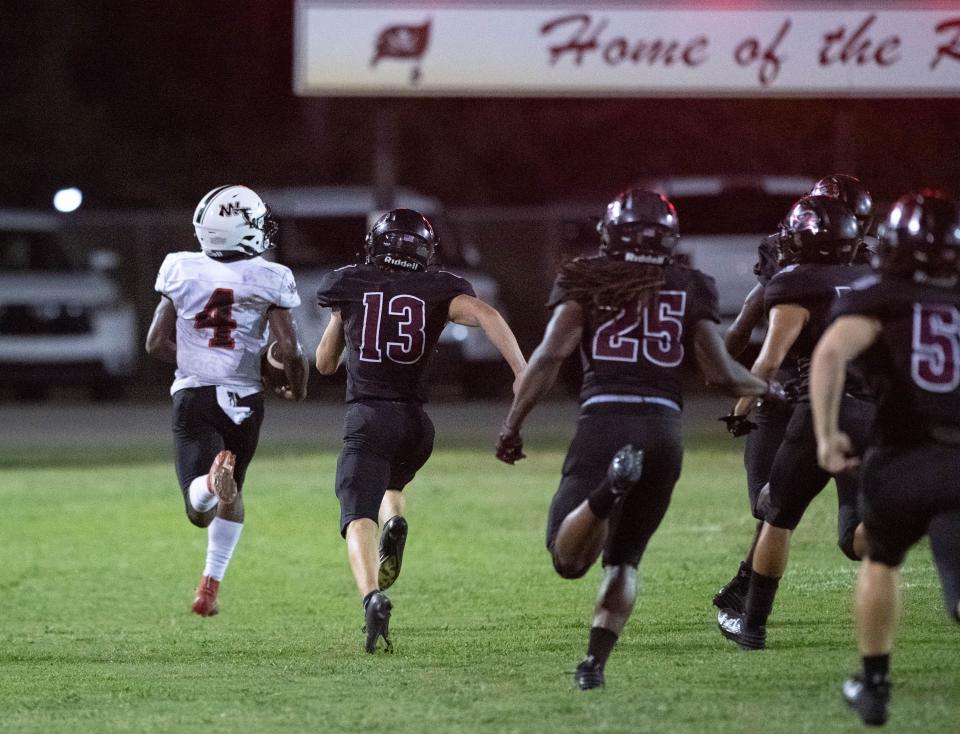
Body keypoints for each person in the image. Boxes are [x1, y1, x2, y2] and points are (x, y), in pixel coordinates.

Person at [496, 189, 775, 690]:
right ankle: (594, 666)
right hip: (665, 430)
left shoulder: (586, 277)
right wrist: (768, 387)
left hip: (605, 421)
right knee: (623, 561)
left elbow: (549, 356)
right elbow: (721, 373)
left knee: (567, 560)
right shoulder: (689, 284)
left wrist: (512, 424)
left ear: (612, 233)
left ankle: (607, 491)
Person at [314, 208, 526, 654]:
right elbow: (487, 314)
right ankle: (397, 519)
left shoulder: (349, 282)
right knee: (389, 479)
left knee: (356, 515)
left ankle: (372, 594)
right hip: (416, 426)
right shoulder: (439, 288)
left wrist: (340, 317)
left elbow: (325, 365)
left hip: (368, 417)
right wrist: (521, 370)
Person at [810, 190, 960, 727]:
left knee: (881, 559)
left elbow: (830, 353)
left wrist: (827, 437)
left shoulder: (879, 295)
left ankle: (873, 684)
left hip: (903, 457)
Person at [716, 195, 874, 651]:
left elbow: (767, 364)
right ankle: (918, 524)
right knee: (855, 534)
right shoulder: (871, 278)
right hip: (872, 412)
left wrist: (740, 409)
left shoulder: (794, 283)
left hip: (819, 411)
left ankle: (752, 625)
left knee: (777, 515)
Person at [146, 184, 308, 617]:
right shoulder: (270, 275)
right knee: (232, 495)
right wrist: (297, 386)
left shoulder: (180, 267)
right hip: (246, 400)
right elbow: (289, 350)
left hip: (195, 394)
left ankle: (206, 486)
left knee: (199, 508)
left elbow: (155, 342)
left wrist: (200, 363)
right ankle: (209, 587)